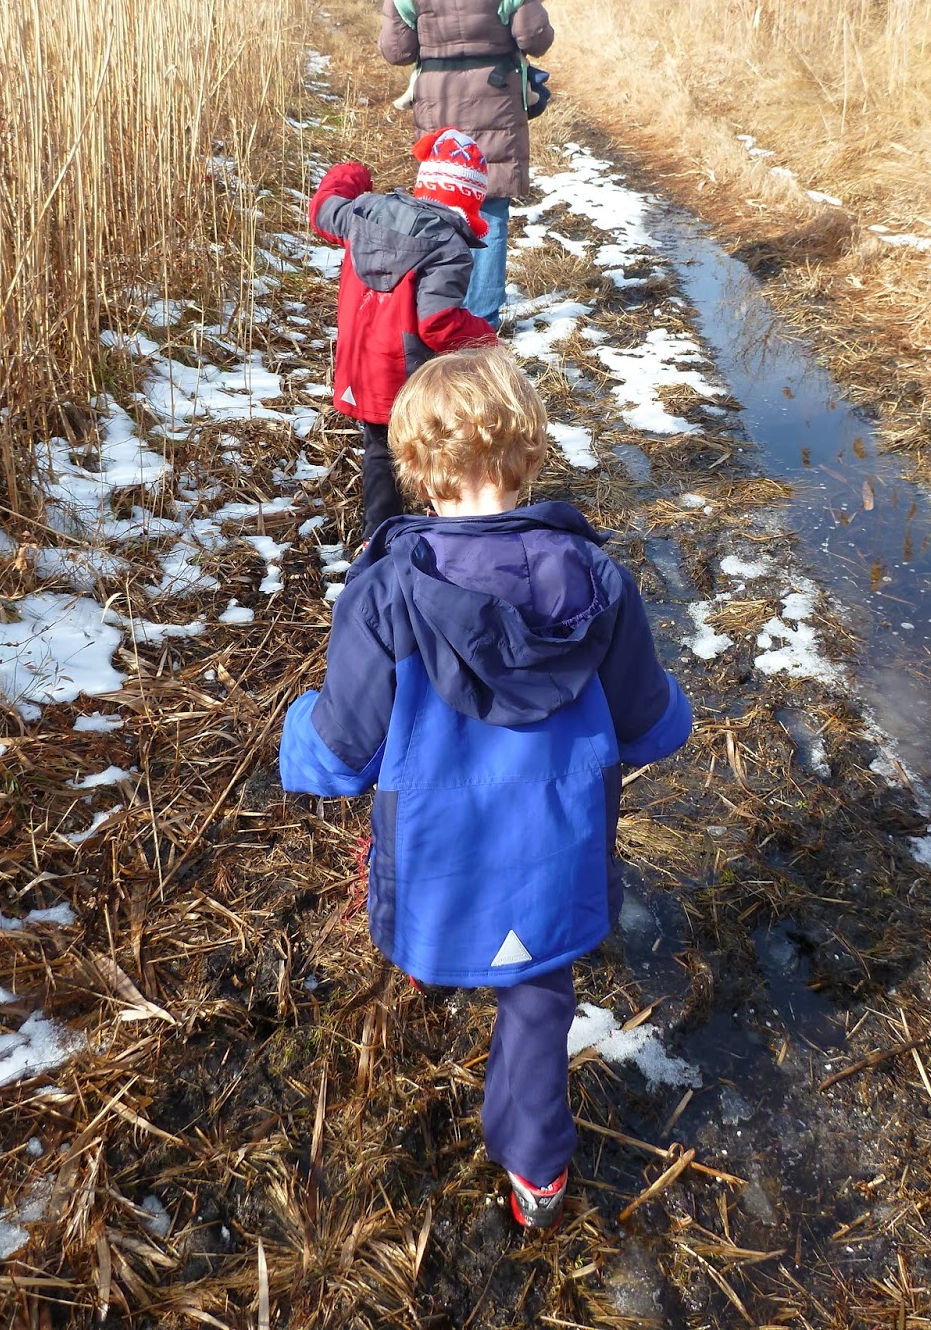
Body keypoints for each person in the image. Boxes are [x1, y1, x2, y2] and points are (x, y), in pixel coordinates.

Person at [279, 346, 692, 1230]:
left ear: (417, 470)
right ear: (528, 455)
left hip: (439, 850)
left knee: (445, 918)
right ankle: (538, 1172)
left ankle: (447, 963)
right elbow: (649, 722)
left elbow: (343, 747)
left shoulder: (388, 587)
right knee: (540, 999)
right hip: (556, 846)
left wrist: (294, 743)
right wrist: (666, 721)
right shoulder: (601, 583)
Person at [308, 126, 497, 543]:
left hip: (363, 373)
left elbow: (322, 209)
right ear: (469, 199)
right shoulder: (448, 247)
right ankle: (449, 526)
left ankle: (380, 536)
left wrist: (350, 174)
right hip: (412, 382)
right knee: (438, 446)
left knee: (379, 453)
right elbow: (439, 321)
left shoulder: (366, 213)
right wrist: (486, 339)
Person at [379, 0, 554, 330]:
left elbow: (395, 51)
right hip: (496, 100)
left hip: (438, 108)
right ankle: (480, 326)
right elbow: (536, 40)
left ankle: (436, 316)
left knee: (440, 208)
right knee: (490, 210)